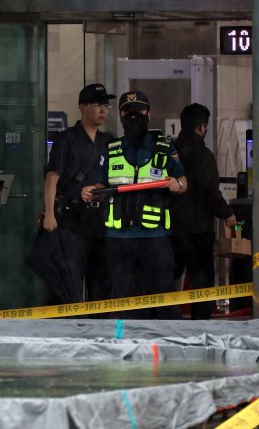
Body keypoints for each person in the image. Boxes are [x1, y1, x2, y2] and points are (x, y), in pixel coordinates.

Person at [82, 90, 187, 320]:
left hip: (154, 237)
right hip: (119, 240)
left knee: (164, 301)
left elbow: (183, 181)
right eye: (127, 112)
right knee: (123, 301)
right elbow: (102, 185)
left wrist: (176, 184)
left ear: (148, 114)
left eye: (138, 111)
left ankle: (169, 340)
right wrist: (91, 191)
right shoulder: (112, 149)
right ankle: (124, 340)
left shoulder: (164, 147)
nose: (133, 117)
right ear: (120, 115)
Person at [42, 83, 114, 304]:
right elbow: (52, 178)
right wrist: (49, 214)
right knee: (67, 285)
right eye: (97, 105)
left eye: (106, 106)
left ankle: (98, 325)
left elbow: (112, 181)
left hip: (100, 219)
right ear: (82, 107)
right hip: (71, 219)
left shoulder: (108, 141)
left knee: (100, 284)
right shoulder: (66, 139)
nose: (103, 110)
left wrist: (99, 191)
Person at [170, 103, 236, 320]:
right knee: (202, 285)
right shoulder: (204, 155)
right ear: (201, 127)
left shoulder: (170, 151)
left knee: (168, 281)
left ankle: (167, 323)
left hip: (172, 229)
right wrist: (227, 213)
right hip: (199, 231)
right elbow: (211, 192)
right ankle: (200, 327)